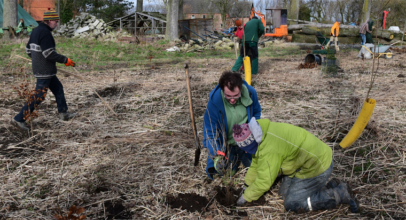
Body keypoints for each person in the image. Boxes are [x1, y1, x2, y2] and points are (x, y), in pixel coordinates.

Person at [233, 118, 359, 213]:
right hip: (300, 165)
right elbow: (256, 164)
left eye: (246, 149)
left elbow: (264, 182)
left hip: (316, 166)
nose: (245, 152)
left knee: (292, 204)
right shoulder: (260, 133)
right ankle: (331, 186)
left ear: (252, 143)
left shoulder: (269, 149)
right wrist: (247, 185)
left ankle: (341, 194)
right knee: (283, 195)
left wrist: (246, 197)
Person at [12, 9, 77, 131]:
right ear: (50, 20)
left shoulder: (36, 30)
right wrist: (65, 60)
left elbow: (28, 50)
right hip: (44, 71)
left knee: (58, 89)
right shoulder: (45, 33)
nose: (57, 24)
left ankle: (63, 113)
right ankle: (19, 119)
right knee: (39, 96)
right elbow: (49, 54)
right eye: (56, 22)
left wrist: (37, 61)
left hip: (45, 70)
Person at [203, 71, 261, 179]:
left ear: (241, 88)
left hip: (246, 142)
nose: (232, 100)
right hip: (226, 145)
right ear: (222, 90)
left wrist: (253, 130)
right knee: (222, 174)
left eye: (236, 95)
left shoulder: (251, 93)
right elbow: (210, 131)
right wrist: (217, 153)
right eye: (228, 96)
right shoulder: (214, 102)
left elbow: (256, 112)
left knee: (257, 171)